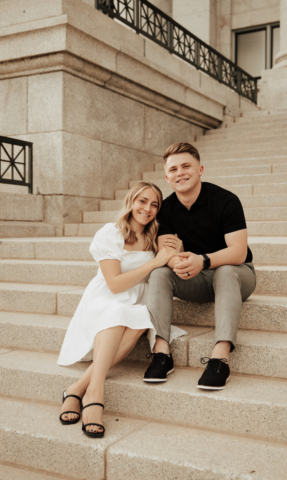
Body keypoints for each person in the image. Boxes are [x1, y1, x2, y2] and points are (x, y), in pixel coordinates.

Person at [58, 181, 186, 438]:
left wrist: (176, 252)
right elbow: (114, 284)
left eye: (154, 204)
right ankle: (95, 393)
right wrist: (155, 263)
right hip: (106, 295)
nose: (148, 209)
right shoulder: (110, 233)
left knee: (141, 318)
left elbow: (170, 263)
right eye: (142, 201)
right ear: (131, 201)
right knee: (117, 312)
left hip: (137, 297)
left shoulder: (155, 236)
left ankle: (77, 387)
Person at [143, 142, 256, 390]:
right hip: (196, 278)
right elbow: (167, 253)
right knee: (160, 272)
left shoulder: (226, 200)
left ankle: (220, 357)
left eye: (186, 166)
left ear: (200, 169)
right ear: (167, 177)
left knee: (225, 271)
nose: (180, 173)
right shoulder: (166, 210)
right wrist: (179, 261)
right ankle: (161, 352)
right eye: (173, 169)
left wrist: (202, 260)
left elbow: (238, 252)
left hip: (238, 275)